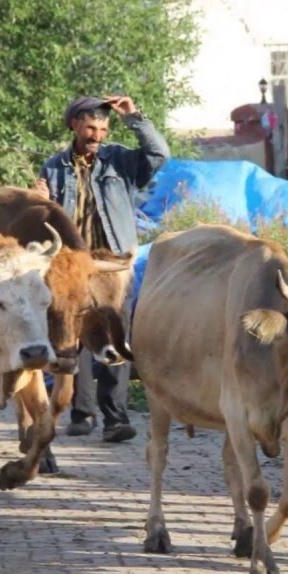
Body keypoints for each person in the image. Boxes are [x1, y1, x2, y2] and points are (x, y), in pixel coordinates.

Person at [34, 94, 170, 443]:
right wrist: (37, 199)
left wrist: (134, 117)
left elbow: (160, 155)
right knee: (75, 331)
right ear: (75, 125)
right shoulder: (52, 167)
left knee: (114, 335)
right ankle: (82, 414)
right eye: (91, 127)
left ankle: (116, 418)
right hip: (72, 263)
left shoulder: (121, 161)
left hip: (112, 262)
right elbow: (43, 216)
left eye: (103, 129)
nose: (97, 135)